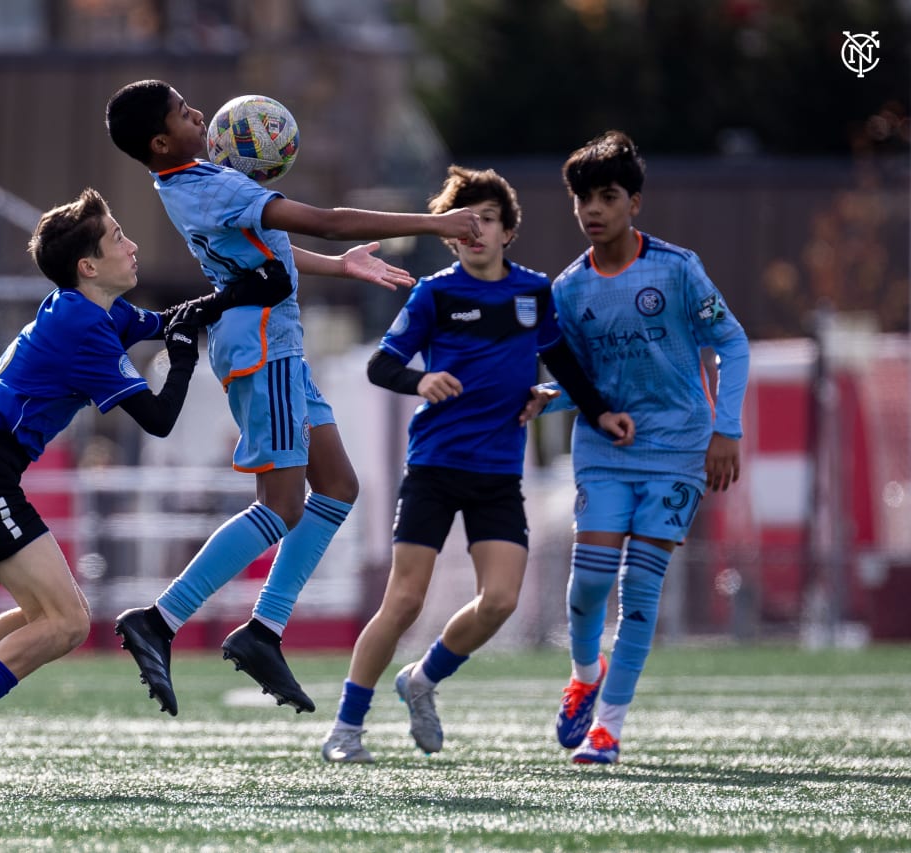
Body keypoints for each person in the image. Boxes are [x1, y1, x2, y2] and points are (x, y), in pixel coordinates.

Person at [0, 187, 290, 795]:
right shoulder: (85, 329)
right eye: (119, 236)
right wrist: (181, 361)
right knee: (69, 623)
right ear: (89, 266)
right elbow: (157, 419)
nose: (134, 243)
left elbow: (174, 319)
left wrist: (246, 292)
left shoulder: (91, 310)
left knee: (45, 612)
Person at [104, 79, 483, 717]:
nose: (200, 112)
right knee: (280, 506)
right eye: (184, 112)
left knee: (337, 485)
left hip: (276, 345)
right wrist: (433, 221)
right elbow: (330, 221)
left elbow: (261, 249)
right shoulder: (215, 184)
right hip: (263, 350)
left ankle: (262, 631)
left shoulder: (192, 180)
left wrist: (343, 267)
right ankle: (160, 620)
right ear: (162, 139)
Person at [320, 165, 634, 763]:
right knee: (405, 601)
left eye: (487, 220)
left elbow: (562, 362)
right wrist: (423, 378)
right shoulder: (434, 293)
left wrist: (600, 413)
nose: (476, 231)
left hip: (497, 474)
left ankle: (422, 680)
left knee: (501, 601)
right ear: (449, 235)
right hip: (435, 467)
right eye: (465, 223)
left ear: (508, 230)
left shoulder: (533, 292)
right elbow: (381, 368)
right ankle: (346, 727)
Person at [533, 131, 749, 765]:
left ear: (635, 203)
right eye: (583, 199)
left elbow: (732, 344)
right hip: (605, 449)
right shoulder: (568, 290)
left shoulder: (678, 270)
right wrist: (550, 395)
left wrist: (726, 429)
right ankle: (583, 670)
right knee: (588, 583)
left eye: (607, 196)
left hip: (679, 447)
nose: (593, 209)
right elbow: (582, 381)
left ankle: (610, 727)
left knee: (640, 590)